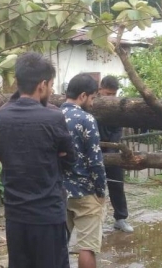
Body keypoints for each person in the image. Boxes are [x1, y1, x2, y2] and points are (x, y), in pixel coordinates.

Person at [0, 52, 75, 268]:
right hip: (47, 214)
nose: (51, 90)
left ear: (17, 82)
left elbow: (3, 153)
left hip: (15, 214)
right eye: (51, 85)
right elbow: (69, 160)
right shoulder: (54, 117)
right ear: (43, 84)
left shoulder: (0, 117)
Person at [60, 73, 106, 268]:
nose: (93, 103)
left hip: (58, 190)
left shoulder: (52, 115)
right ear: (83, 95)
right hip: (85, 191)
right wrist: (101, 190)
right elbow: (95, 160)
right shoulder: (86, 119)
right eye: (93, 98)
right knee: (87, 247)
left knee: (59, 244)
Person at [97, 75, 133, 233]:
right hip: (93, 151)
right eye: (107, 94)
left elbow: (117, 131)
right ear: (100, 90)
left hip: (112, 150)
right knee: (95, 188)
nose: (111, 98)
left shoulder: (118, 107)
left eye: (113, 94)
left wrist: (111, 152)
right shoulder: (92, 104)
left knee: (117, 185)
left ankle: (121, 218)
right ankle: (95, 223)